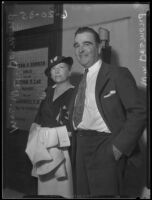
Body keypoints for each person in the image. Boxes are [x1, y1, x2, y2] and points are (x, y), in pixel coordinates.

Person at [70, 27, 146, 198]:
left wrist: (118, 148)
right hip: (81, 145)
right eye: (76, 45)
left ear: (98, 48)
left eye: (86, 44)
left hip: (106, 146)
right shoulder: (80, 81)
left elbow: (139, 112)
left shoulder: (117, 74)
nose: (80, 49)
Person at [25, 56, 75, 198]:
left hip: (64, 148)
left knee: (63, 188)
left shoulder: (75, 92)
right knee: (45, 188)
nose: (57, 71)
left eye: (61, 68)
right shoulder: (47, 91)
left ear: (70, 72)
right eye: (53, 69)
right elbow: (39, 118)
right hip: (43, 148)